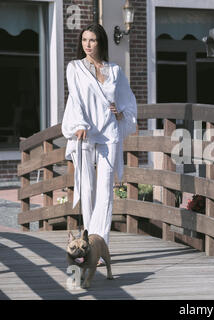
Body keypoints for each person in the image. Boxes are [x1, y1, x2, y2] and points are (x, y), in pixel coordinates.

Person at [62, 24, 137, 263]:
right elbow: (75, 97)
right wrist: (80, 124)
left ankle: (97, 244)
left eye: (92, 40)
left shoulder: (114, 70)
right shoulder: (74, 68)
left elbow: (128, 102)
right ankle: (88, 240)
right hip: (84, 133)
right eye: (84, 39)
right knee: (88, 189)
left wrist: (120, 112)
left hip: (109, 133)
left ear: (101, 42)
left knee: (106, 191)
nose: (87, 44)